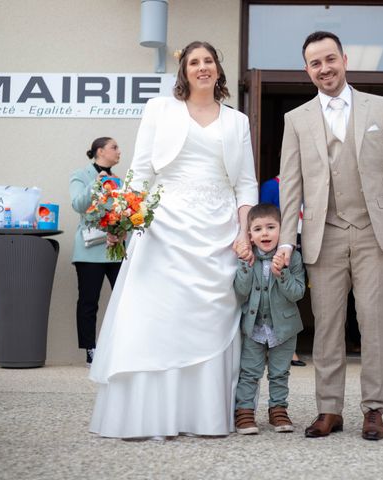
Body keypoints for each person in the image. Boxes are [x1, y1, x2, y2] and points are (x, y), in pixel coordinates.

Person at [88, 41, 258, 439]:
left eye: (208, 61)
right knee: (156, 318)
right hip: (164, 226)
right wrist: (123, 216)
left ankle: (204, 416)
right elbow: (141, 170)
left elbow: (246, 184)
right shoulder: (159, 110)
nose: (202, 68)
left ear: (218, 69)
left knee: (212, 319)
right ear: (183, 72)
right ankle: (147, 415)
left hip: (217, 231)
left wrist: (242, 231)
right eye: (194, 62)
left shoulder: (237, 121)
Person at [276, 31, 383, 441]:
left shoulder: (381, 107)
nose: (324, 68)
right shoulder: (296, 119)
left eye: (329, 59)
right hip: (325, 233)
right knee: (326, 326)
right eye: (315, 63)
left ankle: (374, 409)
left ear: (344, 59)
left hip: (376, 232)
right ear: (307, 70)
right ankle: (328, 409)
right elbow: (291, 185)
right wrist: (288, 239)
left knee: (374, 323)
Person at [233, 203, 305, 434]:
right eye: (258, 229)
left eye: (271, 227)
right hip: (254, 327)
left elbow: (298, 292)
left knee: (280, 372)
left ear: (281, 231)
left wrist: (281, 273)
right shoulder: (247, 258)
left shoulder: (292, 258)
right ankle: (244, 412)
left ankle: (278, 410)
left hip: (284, 327)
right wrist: (244, 266)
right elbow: (240, 292)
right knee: (250, 371)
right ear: (250, 236)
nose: (265, 233)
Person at [69, 137, 123, 366]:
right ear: (100, 151)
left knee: (123, 300)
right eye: (114, 147)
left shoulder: (119, 180)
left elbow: (124, 210)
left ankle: (121, 349)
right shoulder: (80, 176)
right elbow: (78, 205)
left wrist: (122, 230)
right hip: (90, 249)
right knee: (89, 301)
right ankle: (90, 350)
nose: (119, 151)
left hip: (116, 248)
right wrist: (96, 184)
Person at [259, 175, 306, 367]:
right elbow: (263, 216)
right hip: (281, 243)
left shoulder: (313, 181)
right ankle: (279, 346)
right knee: (277, 292)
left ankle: (290, 343)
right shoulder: (271, 186)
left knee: (299, 290)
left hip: (309, 239)